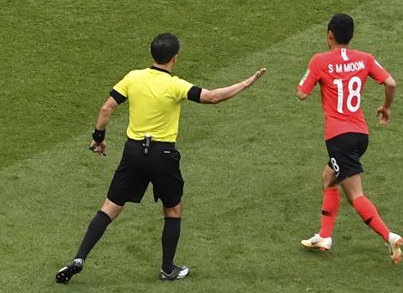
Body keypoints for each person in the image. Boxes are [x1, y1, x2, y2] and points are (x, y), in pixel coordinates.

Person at [55, 33, 266, 284]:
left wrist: (98, 138)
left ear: (151, 54)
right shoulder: (175, 85)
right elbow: (212, 97)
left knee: (110, 207)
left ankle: (79, 257)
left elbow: (106, 108)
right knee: (173, 208)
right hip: (162, 156)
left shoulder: (133, 77)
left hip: (133, 153)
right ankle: (168, 269)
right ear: (175, 58)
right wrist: (246, 82)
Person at [297, 13, 401, 263]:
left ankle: (390, 236)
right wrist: (386, 107)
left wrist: (314, 77)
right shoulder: (364, 58)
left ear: (329, 35)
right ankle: (324, 235)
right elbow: (391, 82)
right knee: (328, 178)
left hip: (339, 137)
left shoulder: (320, 60)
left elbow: (301, 94)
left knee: (355, 195)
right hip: (360, 135)